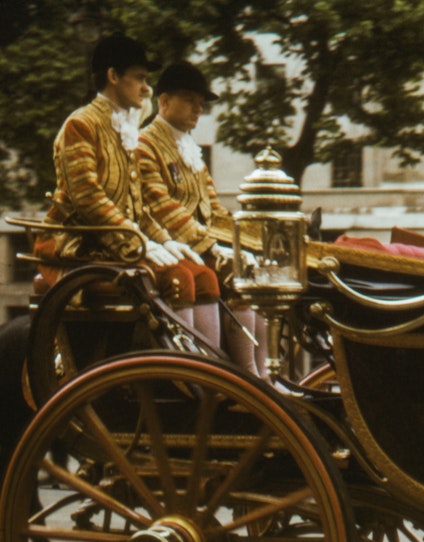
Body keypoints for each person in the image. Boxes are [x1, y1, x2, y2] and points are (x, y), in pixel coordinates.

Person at [34, 34, 220, 344]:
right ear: (113, 76)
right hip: (77, 244)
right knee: (179, 278)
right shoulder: (80, 125)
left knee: (203, 277)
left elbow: (136, 207)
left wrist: (163, 240)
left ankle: (215, 376)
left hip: (115, 241)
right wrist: (139, 244)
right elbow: (89, 200)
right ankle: (187, 376)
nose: (147, 88)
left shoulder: (122, 129)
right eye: (140, 78)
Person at [138, 60, 266, 375]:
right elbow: (162, 207)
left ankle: (262, 375)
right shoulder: (145, 144)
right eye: (189, 100)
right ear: (164, 101)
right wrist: (211, 247)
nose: (198, 109)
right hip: (168, 246)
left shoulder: (190, 149)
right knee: (231, 274)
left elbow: (214, 210)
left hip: (199, 245)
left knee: (259, 274)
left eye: (200, 103)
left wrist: (244, 243)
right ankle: (232, 376)